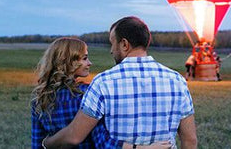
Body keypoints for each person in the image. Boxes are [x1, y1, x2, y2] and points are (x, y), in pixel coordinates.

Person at [43, 16, 197, 149]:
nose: (111, 50)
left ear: (124, 44)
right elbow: (190, 140)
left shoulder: (103, 82)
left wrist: (46, 143)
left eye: (112, 43)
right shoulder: (177, 81)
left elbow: (74, 136)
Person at [31, 37, 169, 149]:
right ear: (69, 62)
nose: (90, 63)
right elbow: (103, 143)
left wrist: (47, 143)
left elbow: (37, 143)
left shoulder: (39, 99)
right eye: (84, 58)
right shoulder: (86, 93)